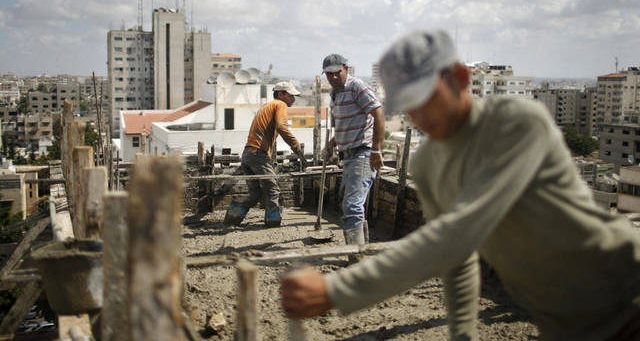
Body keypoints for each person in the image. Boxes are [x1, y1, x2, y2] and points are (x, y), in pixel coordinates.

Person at [281, 31, 640, 340]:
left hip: (623, 288)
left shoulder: (516, 124)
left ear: (460, 78)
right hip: (562, 319)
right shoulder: (429, 163)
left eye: (426, 98)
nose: (420, 116)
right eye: (408, 106)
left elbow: (458, 232)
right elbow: (458, 259)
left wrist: (338, 291)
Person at [322, 54, 385, 247]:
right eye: (328, 74)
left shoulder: (357, 86)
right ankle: (362, 250)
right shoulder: (335, 94)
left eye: (336, 73)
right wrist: (331, 145)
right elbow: (345, 126)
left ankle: (356, 256)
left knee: (352, 206)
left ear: (345, 69)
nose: (333, 77)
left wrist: (376, 150)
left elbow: (379, 113)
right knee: (350, 204)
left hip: (363, 153)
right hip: (349, 156)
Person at [224, 81, 306, 227]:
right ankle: (273, 223)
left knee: (255, 194)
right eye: (291, 95)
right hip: (258, 155)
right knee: (273, 191)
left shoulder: (266, 106)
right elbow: (282, 126)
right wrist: (296, 146)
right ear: (281, 94)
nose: (293, 99)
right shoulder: (279, 105)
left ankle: (232, 218)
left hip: (248, 154)